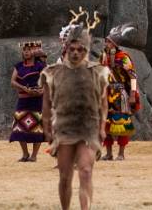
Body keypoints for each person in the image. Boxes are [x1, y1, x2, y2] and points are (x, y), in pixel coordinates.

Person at [40, 13, 109, 210]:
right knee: (65, 176)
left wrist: (102, 127)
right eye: (73, 49)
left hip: (89, 127)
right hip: (64, 129)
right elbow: (46, 103)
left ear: (86, 50)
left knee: (86, 171)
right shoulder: (52, 72)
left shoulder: (98, 72)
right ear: (66, 49)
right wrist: (46, 128)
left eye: (81, 49)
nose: (76, 53)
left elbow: (103, 102)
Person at [100, 27, 139, 161]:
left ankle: (121, 153)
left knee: (121, 122)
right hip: (107, 93)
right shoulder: (103, 57)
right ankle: (109, 153)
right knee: (106, 123)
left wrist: (133, 94)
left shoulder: (124, 58)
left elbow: (133, 76)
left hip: (120, 93)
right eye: (106, 41)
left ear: (115, 44)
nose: (106, 44)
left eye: (109, 42)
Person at [9, 40, 47, 162]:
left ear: (34, 51)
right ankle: (25, 154)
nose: (26, 52)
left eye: (29, 50)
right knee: (20, 125)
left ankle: (34, 155)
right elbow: (13, 82)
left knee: (36, 126)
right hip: (23, 99)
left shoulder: (40, 66)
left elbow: (47, 79)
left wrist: (41, 90)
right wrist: (24, 88)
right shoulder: (18, 66)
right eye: (24, 50)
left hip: (36, 100)